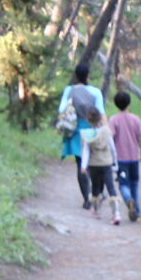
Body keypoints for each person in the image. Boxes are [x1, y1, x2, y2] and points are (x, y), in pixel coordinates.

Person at [109, 90, 141, 222]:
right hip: (135, 158)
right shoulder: (135, 119)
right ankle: (136, 211)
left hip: (121, 159)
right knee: (135, 184)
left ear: (116, 104)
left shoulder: (114, 120)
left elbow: (110, 138)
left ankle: (128, 199)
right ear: (129, 103)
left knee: (123, 185)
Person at [59, 63, 105, 209]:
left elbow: (61, 109)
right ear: (88, 76)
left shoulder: (69, 90)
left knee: (80, 164)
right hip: (92, 129)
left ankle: (87, 198)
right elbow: (100, 112)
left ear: (76, 75)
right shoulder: (95, 92)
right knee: (93, 163)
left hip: (75, 130)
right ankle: (97, 192)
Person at [80, 108, 122, 225]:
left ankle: (96, 210)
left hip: (94, 164)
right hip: (106, 163)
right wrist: (115, 162)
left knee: (96, 187)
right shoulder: (106, 132)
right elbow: (113, 149)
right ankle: (116, 213)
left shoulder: (87, 134)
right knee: (110, 187)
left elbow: (86, 151)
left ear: (89, 121)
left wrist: (83, 166)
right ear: (100, 119)